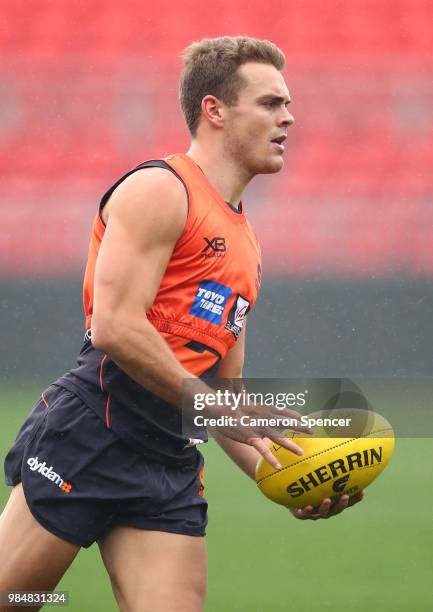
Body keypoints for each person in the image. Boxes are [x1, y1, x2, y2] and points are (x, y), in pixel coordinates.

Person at [0, 36, 363, 612]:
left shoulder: (246, 247)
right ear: (214, 110)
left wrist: (288, 474)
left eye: (288, 104)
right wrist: (222, 410)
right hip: (91, 435)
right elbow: (114, 327)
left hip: (168, 461)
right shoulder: (159, 189)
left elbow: (223, 395)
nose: (289, 117)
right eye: (270, 103)